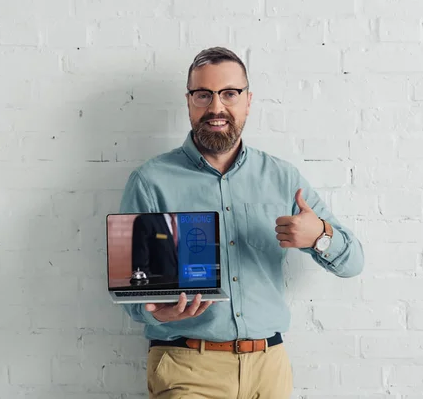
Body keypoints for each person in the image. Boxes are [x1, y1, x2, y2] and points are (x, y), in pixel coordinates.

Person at [118, 47, 364, 399]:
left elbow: (353, 263)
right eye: (203, 95)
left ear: (248, 101)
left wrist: (319, 237)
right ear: (189, 101)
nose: (216, 107)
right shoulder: (150, 181)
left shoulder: (282, 177)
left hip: (269, 369)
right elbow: (130, 291)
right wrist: (159, 312)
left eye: (229, 94)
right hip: (188, 366)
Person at [131, 213, 179, 283]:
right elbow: (141, 268)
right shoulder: (145, 220)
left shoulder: (188, 220)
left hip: (185, 289)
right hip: (158, 288)